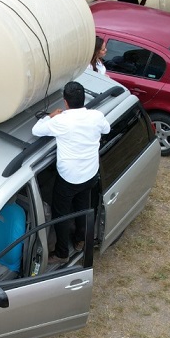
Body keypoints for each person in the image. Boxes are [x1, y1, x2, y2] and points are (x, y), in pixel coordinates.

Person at [32, 82, 110, 264]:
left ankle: (61, 253)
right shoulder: (96, 116)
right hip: (90, 175)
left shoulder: (61, 121)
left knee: (61, 214)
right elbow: (106, 129)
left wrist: (50, 117)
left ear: (65, 102)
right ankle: (80, 240)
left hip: (68, 179)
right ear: (82, 99)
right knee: (83, 207)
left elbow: (36, 131)